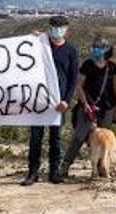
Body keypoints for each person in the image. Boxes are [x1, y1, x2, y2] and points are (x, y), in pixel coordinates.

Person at [22, 15, 78, 186]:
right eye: (54, 26)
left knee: (56, 139)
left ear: (67, 29)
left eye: (61, 27)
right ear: (49, 27)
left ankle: (54, 172)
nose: (57, 29)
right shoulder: (40, 46)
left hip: (58, 103)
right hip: (39, 101)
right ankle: (32, 173)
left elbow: (73, 79)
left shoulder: (71, 51)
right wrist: (32, 39)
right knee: (35, 138)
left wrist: (67, 101)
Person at [60, 35, 116, 178]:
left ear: (105, 50)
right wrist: (86, 104)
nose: (95, 49)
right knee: (80, 136)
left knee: (103, 139)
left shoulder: (111, 67)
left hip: (107, 108)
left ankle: (101, 168)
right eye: (94, 47)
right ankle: (65, 165)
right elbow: (79, 85)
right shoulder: (87, 65)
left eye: (98, 47)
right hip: (88, 107)